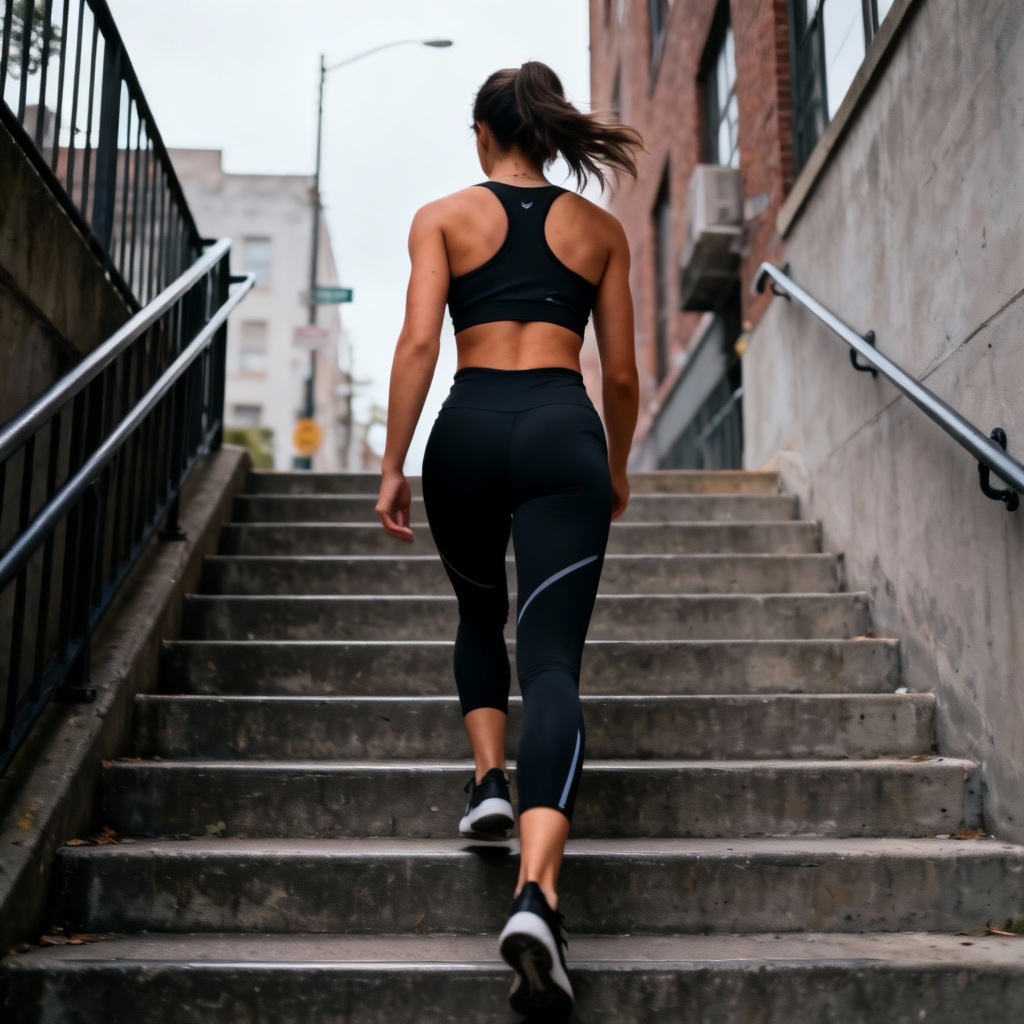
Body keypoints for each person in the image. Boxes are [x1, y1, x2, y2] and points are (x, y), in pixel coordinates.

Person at [376, 60, 641, 1020]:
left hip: (470, 429)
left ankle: (488, 778)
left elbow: (418, 343)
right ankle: (536, 894)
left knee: (478, 613)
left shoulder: (442, 217)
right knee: (554, 663)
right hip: (564, 431)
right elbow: (621, 374)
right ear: (550, 133)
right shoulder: (599, 231)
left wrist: (393, 462)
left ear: (483, 133)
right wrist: (615, 465)